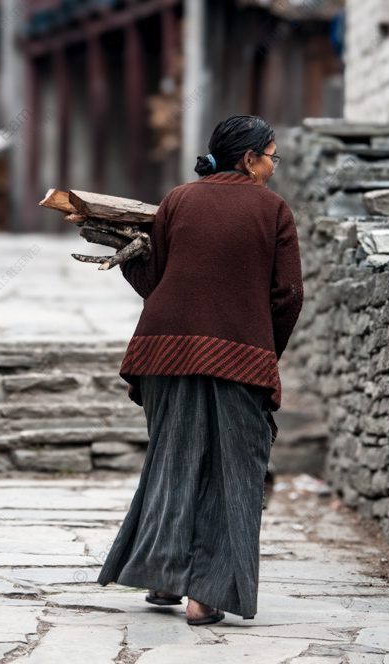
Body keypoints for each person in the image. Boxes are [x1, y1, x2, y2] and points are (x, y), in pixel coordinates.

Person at [96, 115, 304, 625]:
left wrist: (128, 256)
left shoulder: (178, 200)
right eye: (272, 156)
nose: (274, 166)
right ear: (249, 159)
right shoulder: (273, 210)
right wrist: (263, 349)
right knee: (231, 473)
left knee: (172, 461)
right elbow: (288, 295)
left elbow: (156, 281)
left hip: (163, 354)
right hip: (237, 357)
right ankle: (205, 596)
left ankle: (164, 577)